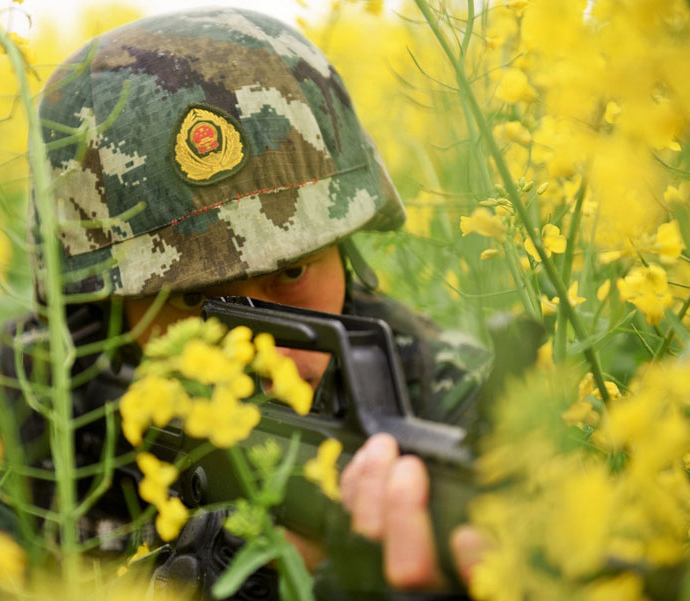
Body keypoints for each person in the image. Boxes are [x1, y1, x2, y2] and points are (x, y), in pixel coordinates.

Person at [30, 6, 490, 598]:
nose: (265, 357)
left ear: (347, 252)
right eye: (193, 298)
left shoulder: (442, 398)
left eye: (293, 272)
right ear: (101, 306)